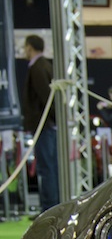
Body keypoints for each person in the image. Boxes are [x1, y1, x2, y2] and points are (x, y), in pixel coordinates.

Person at [21, 35, 58, 212]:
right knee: (49, 167)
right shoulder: (45, 65)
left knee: (46, 168)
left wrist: (50, 119)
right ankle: (52, 205)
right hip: (47, 125)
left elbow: (45, 97)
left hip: (44, 126)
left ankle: (49, 208)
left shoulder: (37, 68)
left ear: (29, 47)